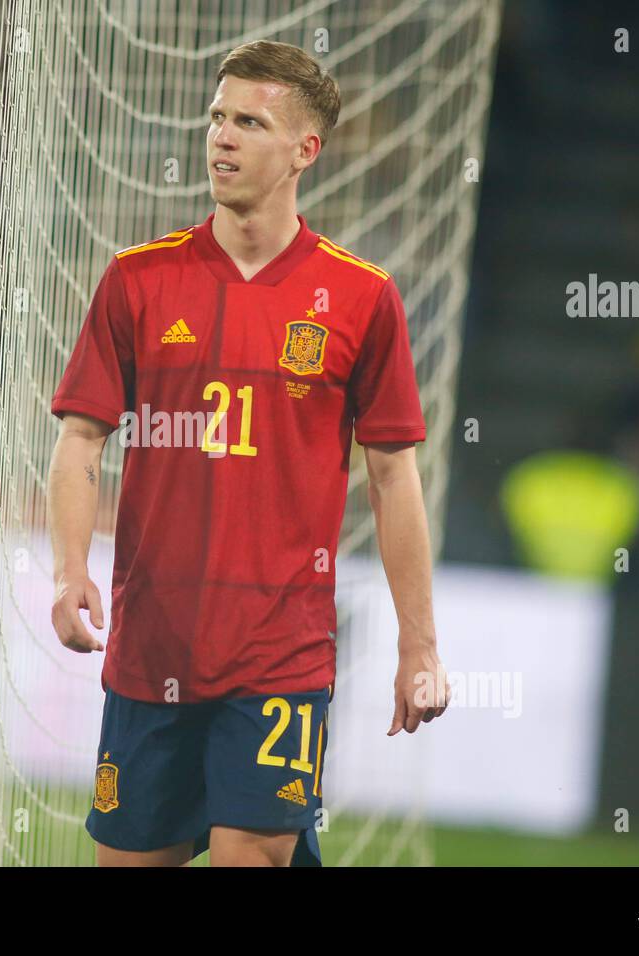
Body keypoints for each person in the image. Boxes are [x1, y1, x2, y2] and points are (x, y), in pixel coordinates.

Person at [47, 40, 449, 867]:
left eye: (249, 122)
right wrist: (67, 568)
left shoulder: (363, 297)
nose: (221, 138)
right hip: (151, 643)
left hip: (279, 652)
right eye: (217, 118)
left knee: (247, 855)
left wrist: (420, 643)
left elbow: (392, 474)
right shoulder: (137, 278)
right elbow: (81, 437)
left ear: (306, 150)